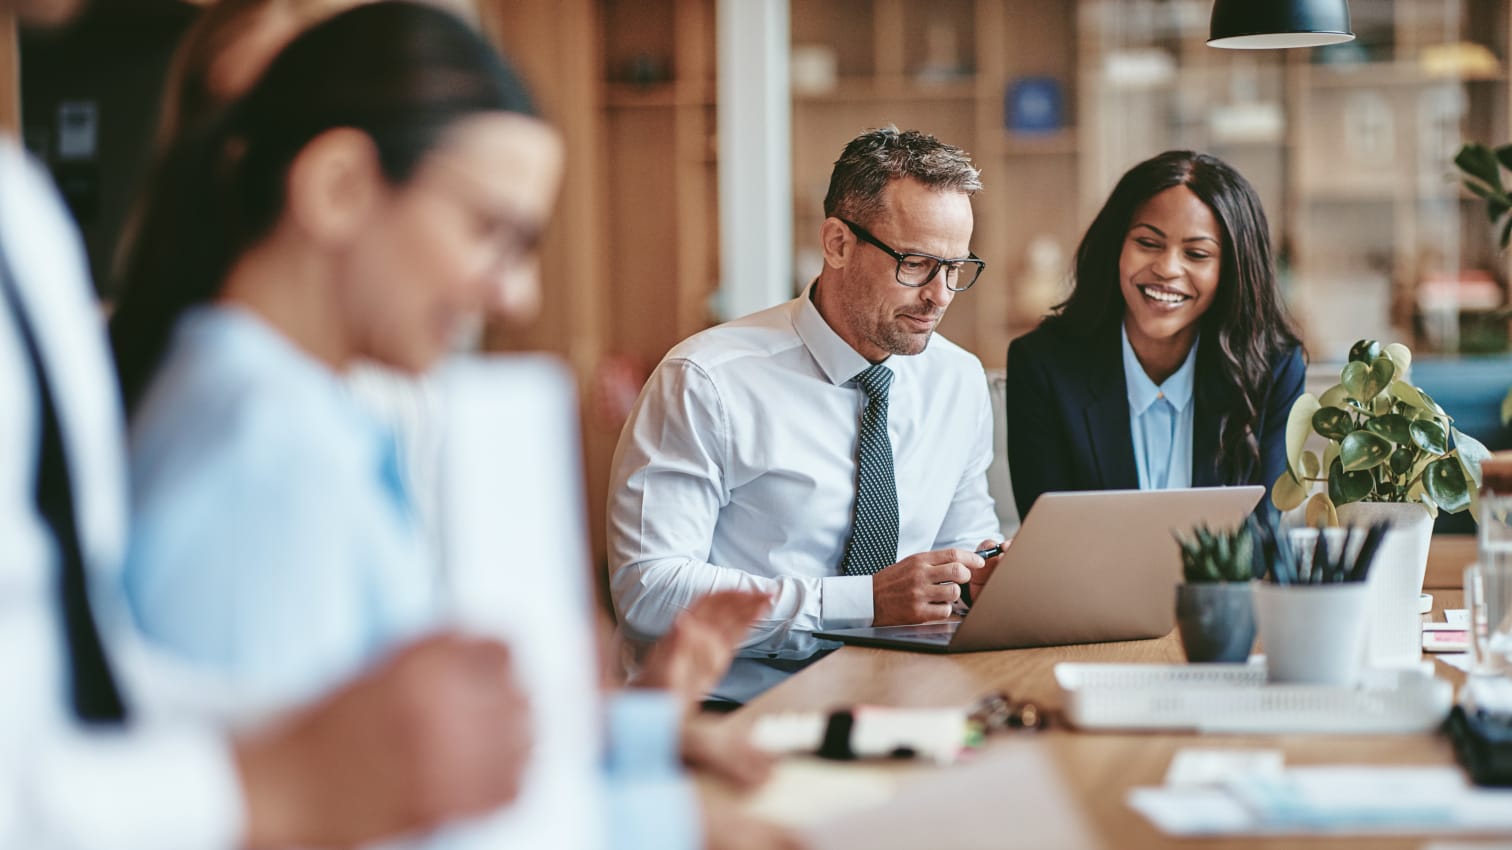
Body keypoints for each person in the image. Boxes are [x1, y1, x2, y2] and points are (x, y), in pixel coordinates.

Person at [0, 0, 536, 848]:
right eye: (491, 231)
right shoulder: (266, 452)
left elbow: (87, 691)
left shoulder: (28, 226)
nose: (518, 295)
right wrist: (283, 781)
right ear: (333, 184)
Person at [607, 126, 1008, 705]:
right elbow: (649, 591)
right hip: (730, 710)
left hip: (899, 702)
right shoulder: (706, 380)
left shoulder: (958, 379)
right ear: (837, 243)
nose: (940, 295)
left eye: (956, 267)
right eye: (917, 264)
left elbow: (963, 539)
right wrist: (861, 603)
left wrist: (984, 575)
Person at [1003, 150, 1305, 519]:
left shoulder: (1273, 370)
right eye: (1147, 243)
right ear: (1116, 246)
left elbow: (1261, 534)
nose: (1167, 268)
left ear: (1232, 270)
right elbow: (1051, 533)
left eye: (1196, 254)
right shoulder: (1041, 367)